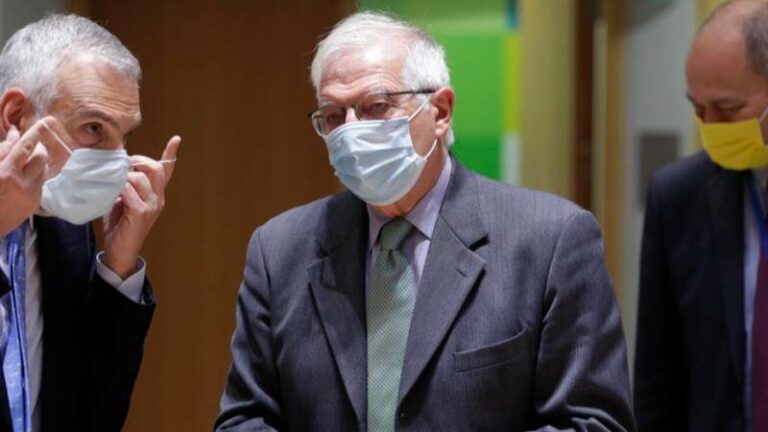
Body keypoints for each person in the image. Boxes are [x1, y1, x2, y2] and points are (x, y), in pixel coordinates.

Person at [215, 11, 634, 432]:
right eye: (334, 116)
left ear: (440, 110)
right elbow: (244, 419)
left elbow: (593, 423)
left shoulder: (549, 240)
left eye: (376, 106)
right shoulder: (280, 250)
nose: (351, 133)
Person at [0, 14, 179, 432]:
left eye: (125, 137)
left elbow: (93, 415)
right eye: (94, 129)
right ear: (15, 115)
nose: (117, 161)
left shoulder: (64, 224)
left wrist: (118, 264)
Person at [634, 1, 768, 431]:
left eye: (726, 110)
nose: (710, 127)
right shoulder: (678, 196)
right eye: (698, 109)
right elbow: (657, 383)